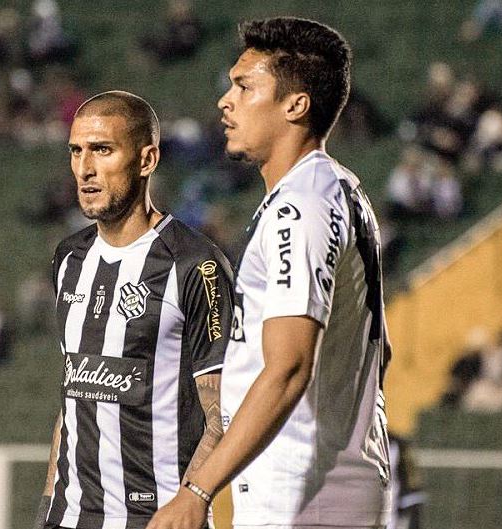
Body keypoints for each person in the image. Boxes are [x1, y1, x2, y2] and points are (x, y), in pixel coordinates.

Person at [148, 17, 393, 529]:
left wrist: (197, 490)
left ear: (295, 105)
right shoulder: (329, 191)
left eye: (244, 86)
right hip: (324, 484)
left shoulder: (300, 206)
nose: (225, 100)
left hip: (305, 493)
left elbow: (287, 368)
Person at [33, 91, 234, 529]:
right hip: (70, 518)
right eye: (76, 151)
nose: (85, 169)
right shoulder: (68, 259)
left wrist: (190, 502)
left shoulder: (194, 264)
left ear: (147, 160)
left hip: (156, 517)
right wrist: (50, 505)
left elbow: (223, 413)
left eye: (102, 150)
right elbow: (73, 397)